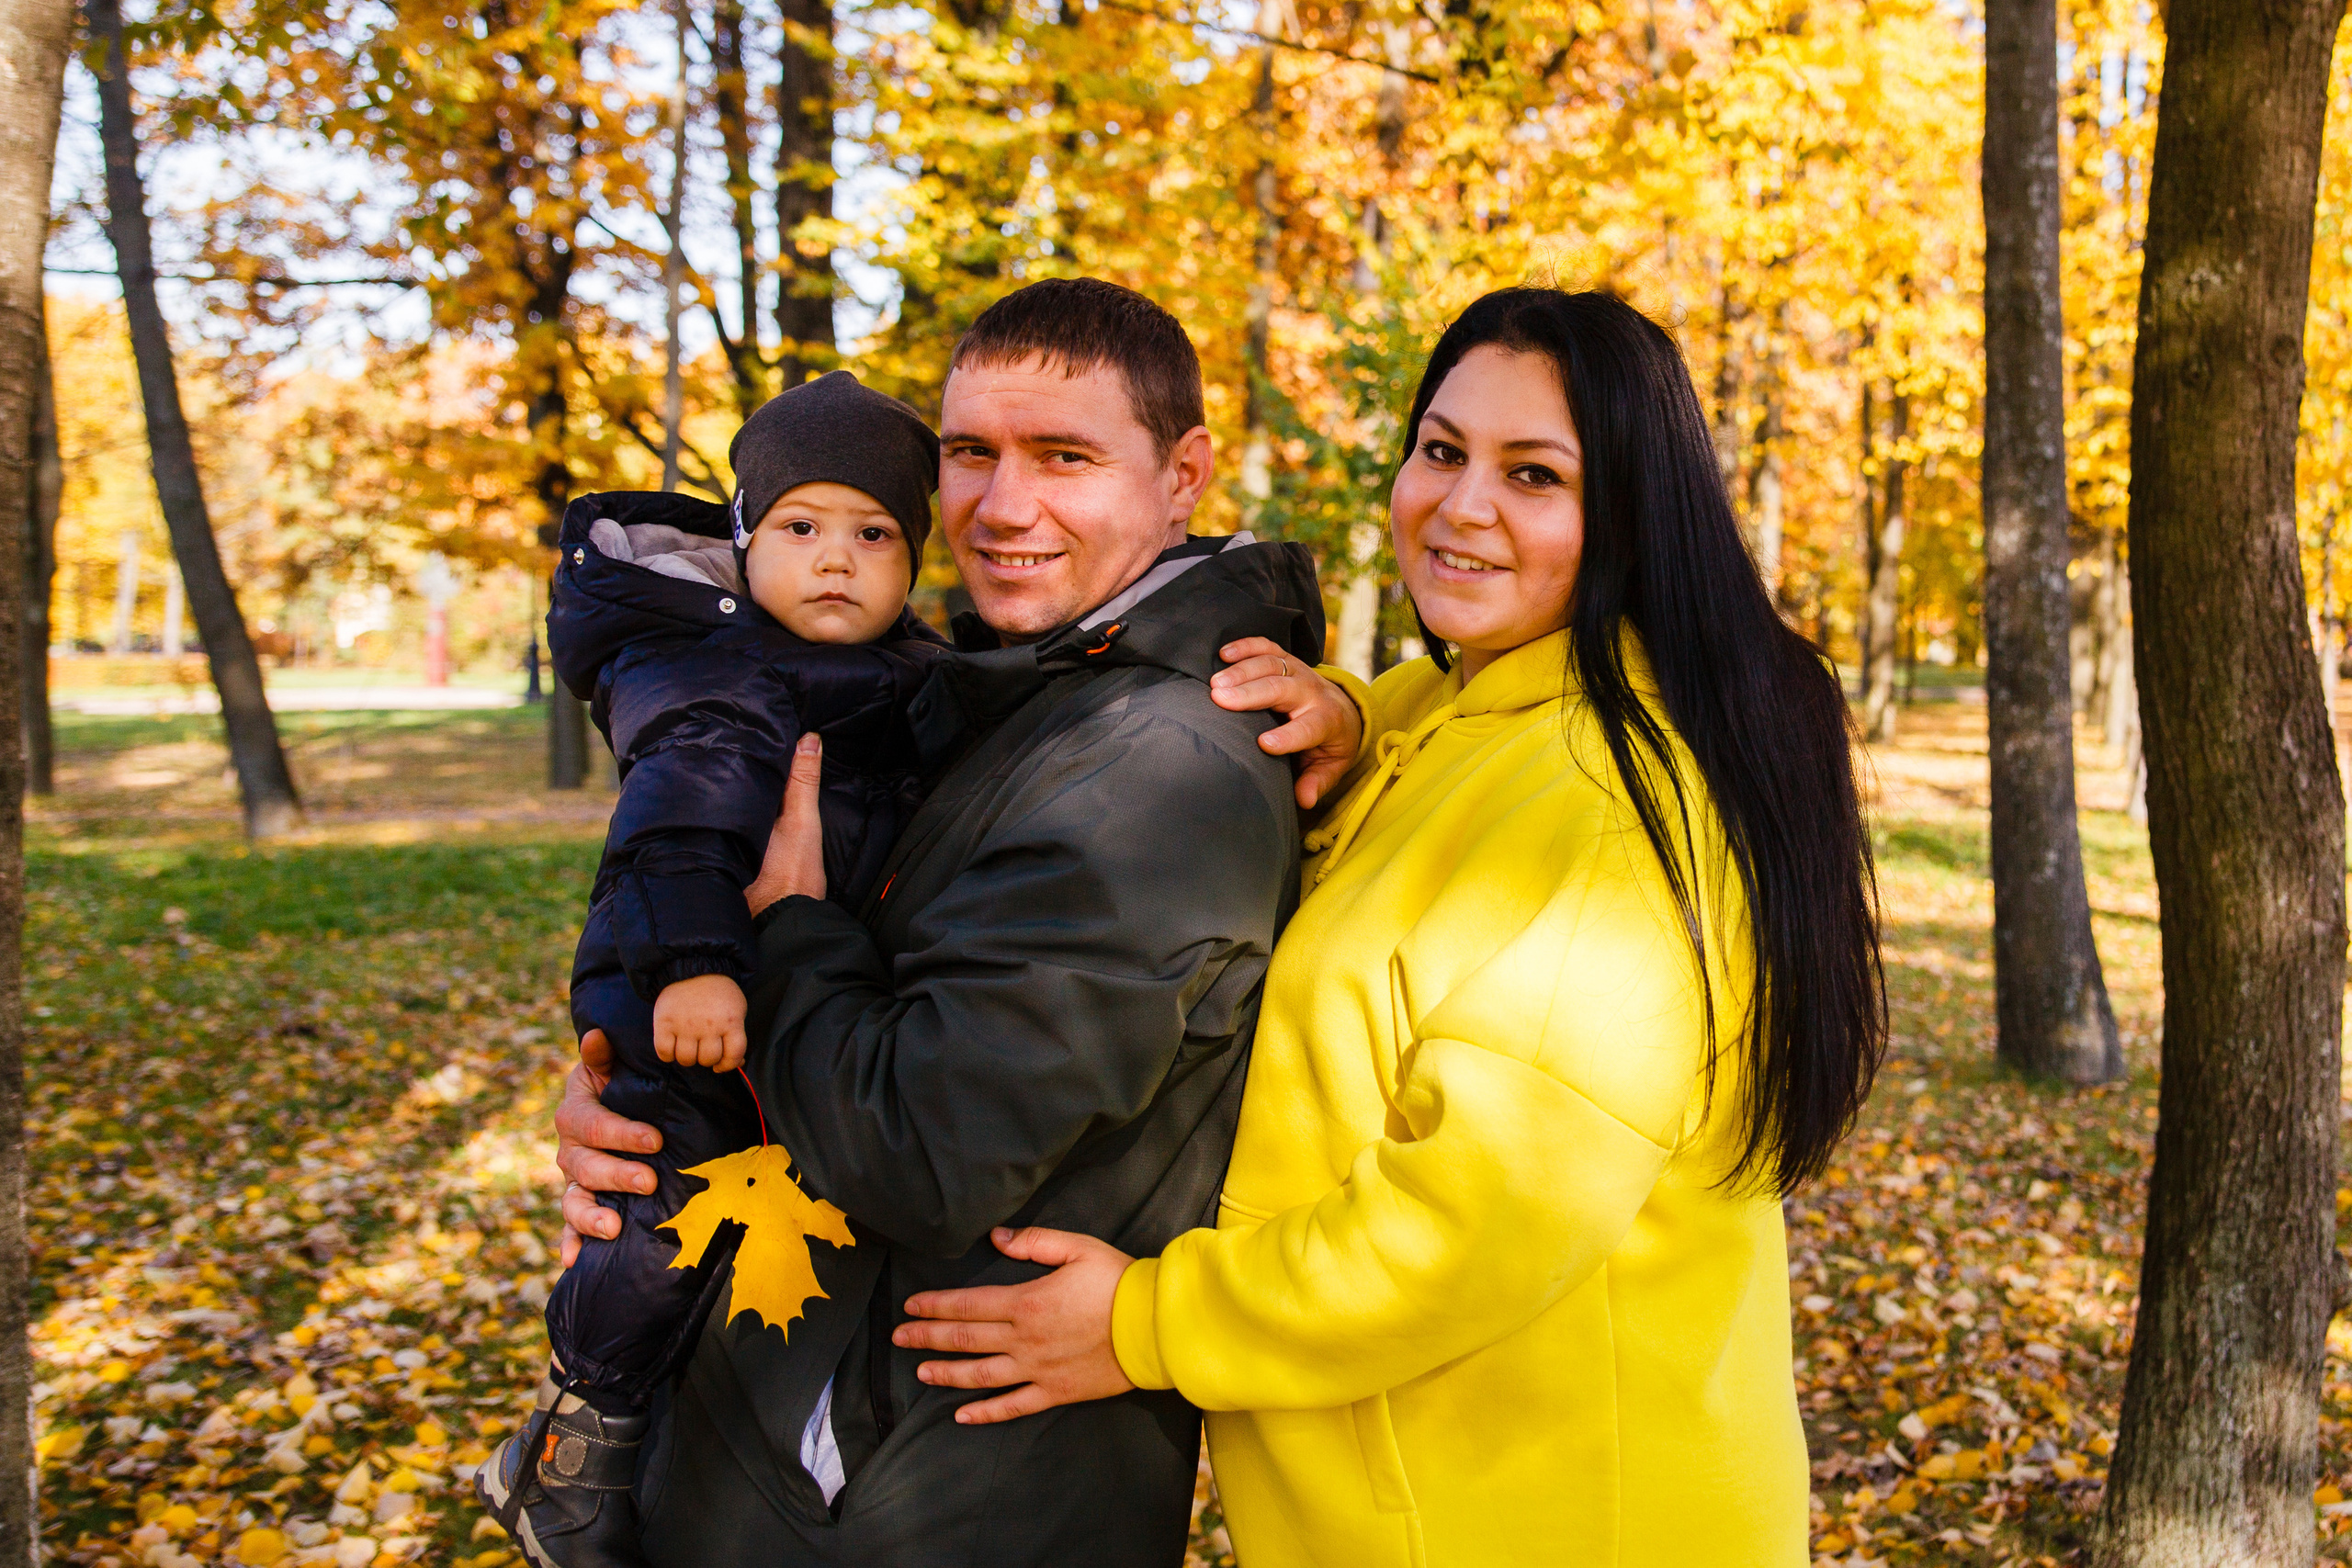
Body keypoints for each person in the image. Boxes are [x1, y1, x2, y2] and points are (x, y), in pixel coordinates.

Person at [888, 288, 1887, 1565]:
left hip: (1553, 1522)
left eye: (1535, 475)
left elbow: (1466, 1229)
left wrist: (1145, 1323)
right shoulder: (1463, 711)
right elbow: (1409, 744)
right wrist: (1349, 717)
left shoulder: (1611, 803)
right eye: (1442, 449)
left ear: (1632, 518)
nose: (1462, 505)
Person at [550, 278, 1367, 1565]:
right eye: (971, 453)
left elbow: (916, 1149)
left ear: (1185, 475)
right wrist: (652, 1085)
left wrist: (786, 932)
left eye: (1066, 456)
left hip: (912, 1498)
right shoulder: (1005, 693)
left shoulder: (1159, 762)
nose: (1002, 504)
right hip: (788, 1438)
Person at [478, 372, 954, 1568]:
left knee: (747, 1255)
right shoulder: (717, 674)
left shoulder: (905, 677)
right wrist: (694, 968)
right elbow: (675, 831)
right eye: (800, 528)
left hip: (794, 1016)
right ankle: (575, 1439)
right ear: (745, 542)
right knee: (659, 1230)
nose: (836, 559)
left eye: (873, 533)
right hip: (692, 1010)